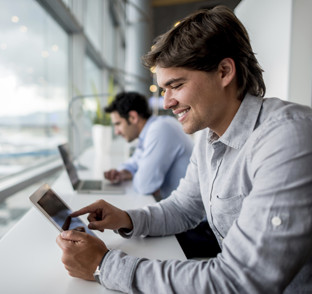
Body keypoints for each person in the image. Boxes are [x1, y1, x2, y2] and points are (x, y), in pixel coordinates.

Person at [56, 5, 312, 293]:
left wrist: (104, 266)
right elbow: (183, 208)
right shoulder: (209, 137)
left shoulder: (287, 136)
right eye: (163, 89)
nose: (166, 103)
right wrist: (126, 218)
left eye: (175, 85)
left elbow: (240, 281)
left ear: (224, 71)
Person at [103, 91, 193, 200]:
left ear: (133, 117)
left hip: (190, 214)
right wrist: (124, 173)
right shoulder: (148, 132)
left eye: (118, 124)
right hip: (175, 206)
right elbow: (134, 162)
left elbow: (145, 185)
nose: (116, 132)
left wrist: (136, 173)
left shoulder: (160, 128)